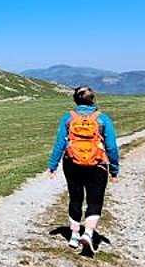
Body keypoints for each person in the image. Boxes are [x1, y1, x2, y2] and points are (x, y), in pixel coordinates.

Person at [47, 86, 119, 253]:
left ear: (75, 100)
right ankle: (88, 233)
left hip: (72, 163)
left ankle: (73, 235)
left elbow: (60, 144)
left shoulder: (68, 118)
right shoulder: (102, 119)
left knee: (75, 198)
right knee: (95, 200)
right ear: (93, 99)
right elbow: (112, 147)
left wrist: (53, 165)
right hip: (97, 165)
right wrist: (114, 169)